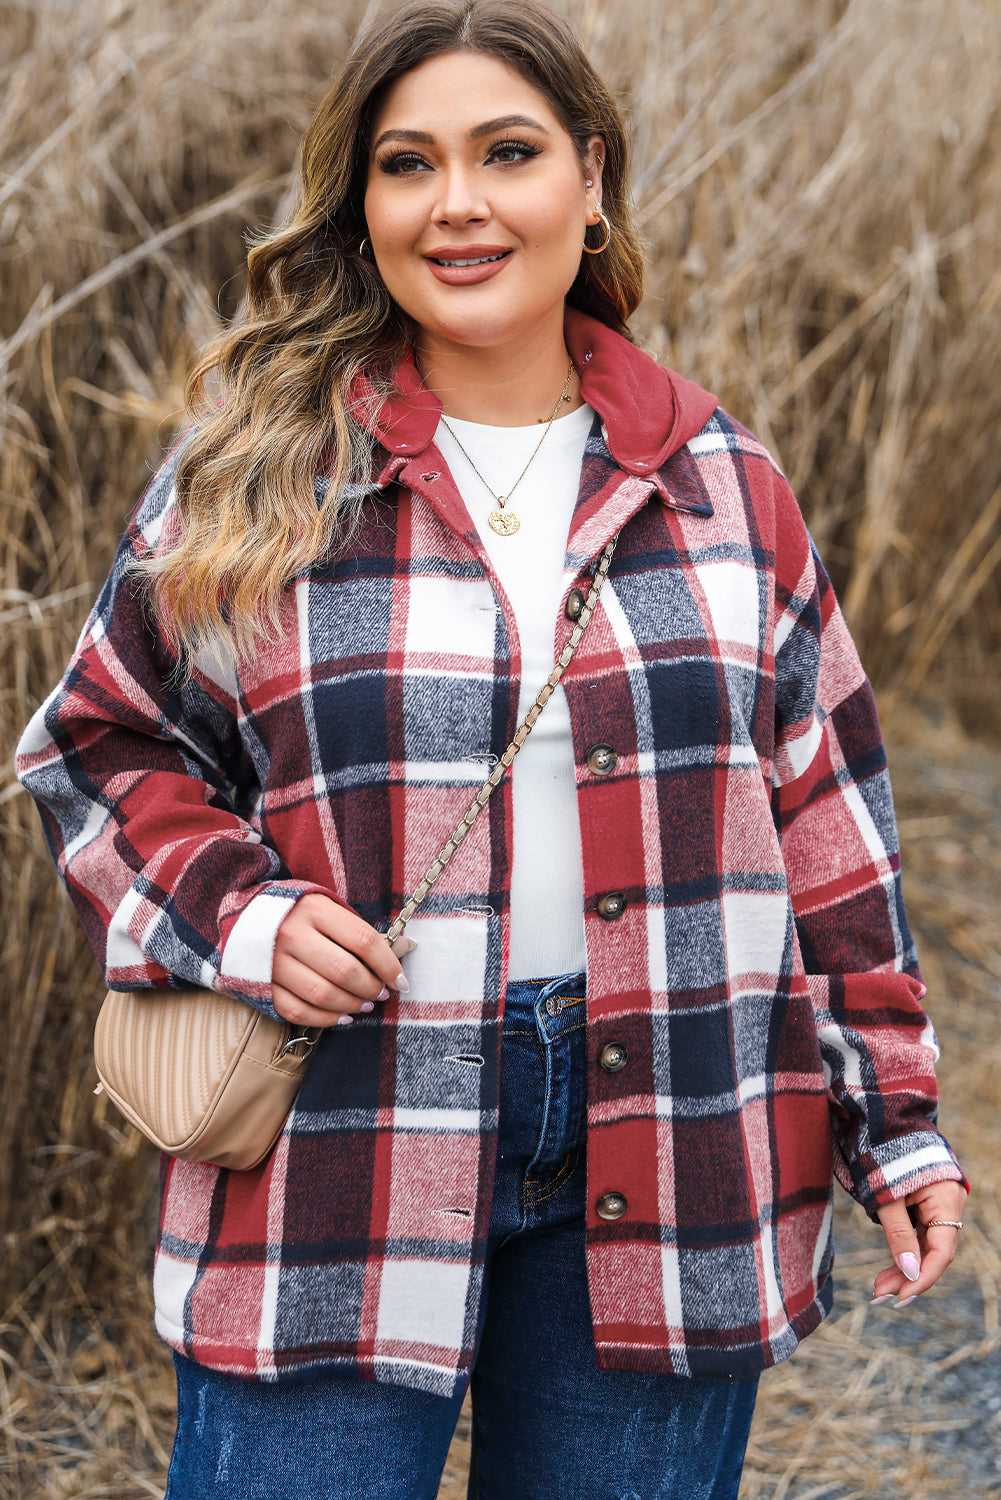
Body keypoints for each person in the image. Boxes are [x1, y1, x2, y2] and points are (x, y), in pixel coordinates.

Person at [16, 1, 968, 1496]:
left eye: (504, 153)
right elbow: (98, 747)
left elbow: (827, 827)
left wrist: (895, 1129)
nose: (455, 203)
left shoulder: (724, 483)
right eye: (407, 165)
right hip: (337, 1137)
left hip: (677, 1133)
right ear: (362, 207)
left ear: (588, 183)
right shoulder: (260, 475)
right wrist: (242, 914)